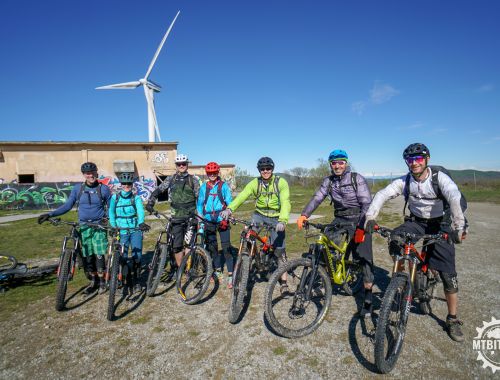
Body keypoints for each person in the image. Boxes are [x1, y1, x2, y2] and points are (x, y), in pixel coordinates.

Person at [364, 143, 467, 342]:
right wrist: (370, 218)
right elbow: (382, 194)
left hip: (441, 224)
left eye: (418, 159)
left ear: (427, 159)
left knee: (448, 275)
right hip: (417, 222)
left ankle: (452, 319)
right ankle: (403, 279)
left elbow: (454, 196)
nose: (414, 163)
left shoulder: (439, 179)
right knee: (396, 239)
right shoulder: (406, 181)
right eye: (410, 160)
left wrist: (458, 227)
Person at [296, 149, 375, 317]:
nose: (337, 165)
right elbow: (317, 197)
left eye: (341, 162)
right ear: (330, 165)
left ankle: (368, 297)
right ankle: (331, 275)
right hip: (339, 219)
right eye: (334, 163)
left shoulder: (356, 178)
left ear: (346, 163)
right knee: (326, 246)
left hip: (358, 218)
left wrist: (362, 226)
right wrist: (304, 214)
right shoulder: (329, 181)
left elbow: (366, 203)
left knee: (363, 256)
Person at [38, 162, 112, 295]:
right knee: (88, 255)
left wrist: (108, 218)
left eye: (92, 172)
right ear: (84, 174)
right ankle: (93, 281)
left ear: (97, 172)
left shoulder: (104, 189)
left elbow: (111, 207)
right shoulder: (78, 189)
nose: (90, 175)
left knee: (99, 254)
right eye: (87, 173)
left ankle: (102, 282)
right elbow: (67, 205)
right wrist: (50, 214)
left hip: (99, 226)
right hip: (83, 226)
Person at [220, 157, 291, 292]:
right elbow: (242, 196)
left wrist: (283, 220)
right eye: (262, 169)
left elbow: (286, 201)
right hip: (259, 215)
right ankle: (247, 261)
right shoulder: (255, 183)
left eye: (268, 168)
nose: (265, 171)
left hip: (276, 216)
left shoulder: (280, 182)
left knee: (280, 250)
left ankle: (284, 282)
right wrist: (230, 209)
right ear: (259, 170)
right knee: (248, 234)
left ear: (272, 169)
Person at [145, 154, 200, 268]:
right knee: (177, 246)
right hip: (176, 217)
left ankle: (188, 267)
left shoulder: (193, 180)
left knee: (189, 244)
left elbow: (199, 198)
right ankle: (181, 270)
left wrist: (199, 216)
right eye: (179, 164)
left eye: (183, 164)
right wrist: (151, 202)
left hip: (190, 216)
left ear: (187, 165)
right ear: (176, 165)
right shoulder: (171, 179)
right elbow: (159, 190)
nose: (181, 166)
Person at [108, 172, 150, 294]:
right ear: (121, 184)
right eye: (124, 183)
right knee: (123, 255)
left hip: (135, 229)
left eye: (129, 184)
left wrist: (141, 222)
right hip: (121, 230)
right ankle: (125, 279)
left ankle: (136, 280)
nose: (127, 186)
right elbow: (111, 212)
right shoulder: (115, 198)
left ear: (132, 185)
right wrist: (113, 226)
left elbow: (140, 211)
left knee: (137, 256)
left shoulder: (135, 198)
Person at [196, 162, 234, 288]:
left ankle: (230, 274)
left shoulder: (223, 186)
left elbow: (230, 201)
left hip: (222, 219)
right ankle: (217, 269)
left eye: (214, 173)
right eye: (210, 173)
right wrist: (200, 217)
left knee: (226, 247)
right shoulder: (203, 187)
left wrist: (228, 211)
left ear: (218, 173)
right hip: (208, 220)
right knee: (212, 247)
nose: (212, 175)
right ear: (207, 174)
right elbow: (200, 203)